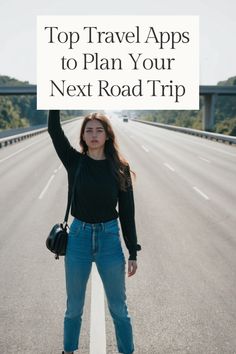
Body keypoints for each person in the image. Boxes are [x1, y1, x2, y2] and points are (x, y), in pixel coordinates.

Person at [48, 110, 141, 354]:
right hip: (78, 239)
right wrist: (53, 101)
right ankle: (68, 350)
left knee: (119, 308)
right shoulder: (74, 161)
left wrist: (133, 250)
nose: (94, 134)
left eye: (99, 130)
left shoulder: (120, 167)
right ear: (83, 136)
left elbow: (128, 213)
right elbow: (54, 131)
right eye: (89, 130)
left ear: (108, 135)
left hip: (109, 239)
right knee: (74, 308)